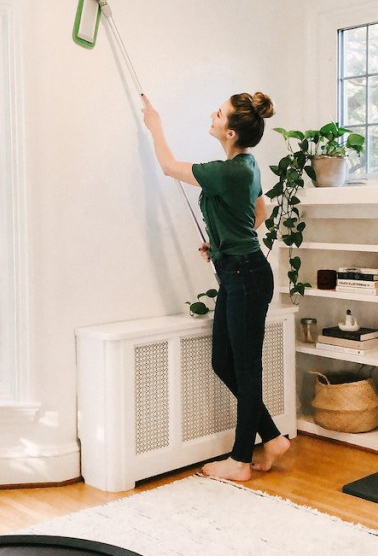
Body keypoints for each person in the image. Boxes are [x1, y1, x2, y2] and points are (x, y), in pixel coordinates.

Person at [141, 91, 290, 481]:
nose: (213, 114)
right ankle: (272, 437)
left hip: (246, 276)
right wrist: (224, 242)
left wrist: (155, 125)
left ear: (230, 132)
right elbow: (259, 210)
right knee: (224, 362)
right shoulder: (246, 164)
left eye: (219, 113)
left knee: (245, 367)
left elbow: (170, 166)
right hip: (238, 272)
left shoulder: (230, 171)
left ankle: (240, 460)